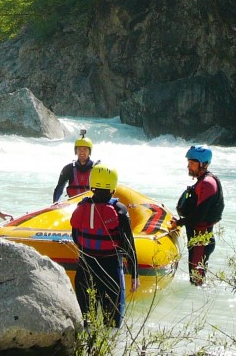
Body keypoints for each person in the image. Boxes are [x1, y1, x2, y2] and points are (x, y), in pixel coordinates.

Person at [69, 164, 139, 327]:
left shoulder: (81, 207)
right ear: (113, 188)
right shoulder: (119, 210)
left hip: (85, 269)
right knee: (112, 325)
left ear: (92, 184)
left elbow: (76, 237)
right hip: (111, 270)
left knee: (87, 322)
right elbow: (128, 244)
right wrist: (135, 274)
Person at [169, 145, 224, 285]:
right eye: (188, 163)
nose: (189, 166)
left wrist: (179, 223)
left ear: (203, 164)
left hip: (201, 241)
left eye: (192, 163)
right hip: (199, 239)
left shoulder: (207, 183)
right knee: (196, 282)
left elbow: (199, 215)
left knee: (197, 283)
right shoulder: (202, 181)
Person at [53, 129, 98, 202]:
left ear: (89, 151)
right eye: (79, 149)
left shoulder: (97, 169)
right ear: (75, 151)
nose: (82, 152)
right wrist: (55, 203)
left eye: (85, 149)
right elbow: (59, 189)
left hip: (91, 206)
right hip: (73, 206)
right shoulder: (68, 169)